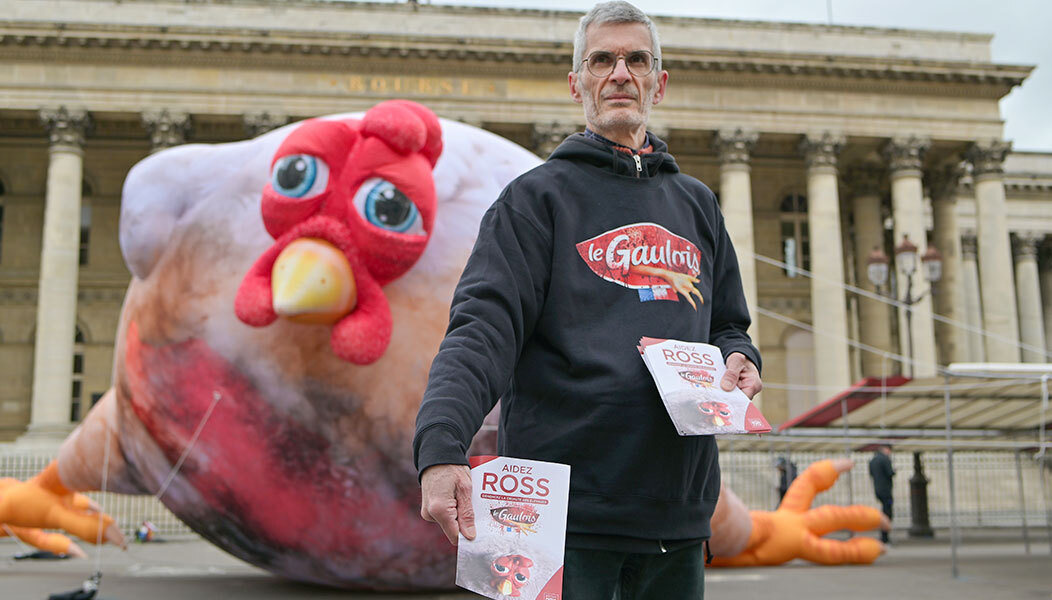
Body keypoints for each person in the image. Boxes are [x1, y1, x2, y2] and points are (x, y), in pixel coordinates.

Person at [413, 2, 762, 597]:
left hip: (675, 515)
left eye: (637, 60)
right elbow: (483, 330)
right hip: (559, 519)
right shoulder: (534, 202)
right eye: (602, 59)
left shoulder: (698, 204)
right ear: (577, 83)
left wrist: (739, 357)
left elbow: (728, 324)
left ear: (659, 81)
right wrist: (441, 445)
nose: (620, 72)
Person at [868, 444, 895, 544]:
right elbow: (890, 472)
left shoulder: (873, 460)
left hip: (878, 489)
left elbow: (871, 474)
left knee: (884, 510)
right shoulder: (885, 459)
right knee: (887, 512)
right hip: (886, 490)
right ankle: (885, 536)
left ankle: (884, 535)